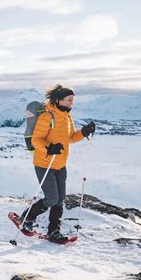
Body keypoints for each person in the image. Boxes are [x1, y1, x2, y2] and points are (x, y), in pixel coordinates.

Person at [20, 85, 95, 243]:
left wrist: (84, 132)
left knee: (59, 200)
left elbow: (71, 137)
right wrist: (49, 147)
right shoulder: (48, 117)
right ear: (58, 100)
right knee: (52, 199)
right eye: (68, 100)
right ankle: (27, 216)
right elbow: (36, 139)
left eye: (72, 101)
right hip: (44, 163)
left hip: (61, 164)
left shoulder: (67, 117)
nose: (71, 103)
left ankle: (54, 231)